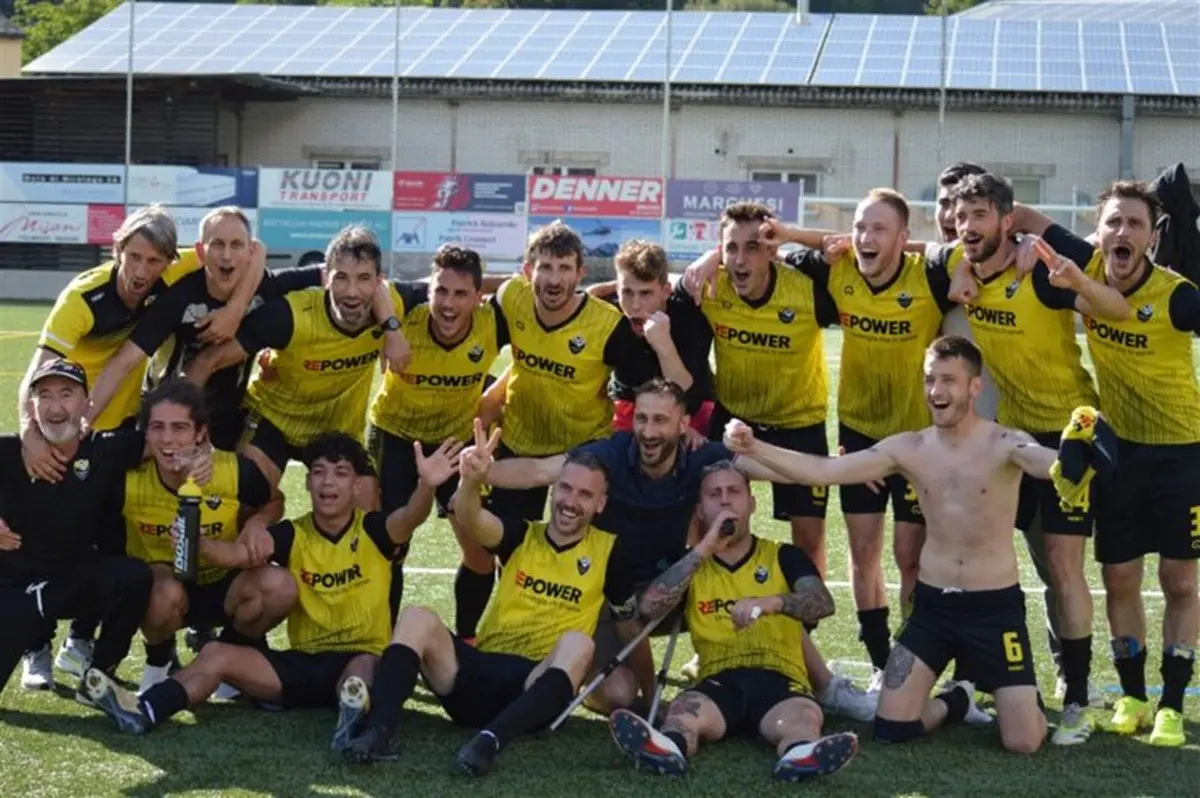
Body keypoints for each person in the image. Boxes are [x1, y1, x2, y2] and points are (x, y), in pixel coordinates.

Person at [724, 335, 1059, 754]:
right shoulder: (910, 447)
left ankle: (1023, 701)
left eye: (949, 381)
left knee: (1024, 742)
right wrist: (754, 447)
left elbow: (1044, 461)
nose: (937, 391)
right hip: (933, 608)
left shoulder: (1005, 442)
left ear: (975, 387)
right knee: (891, 727)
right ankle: (957, 700)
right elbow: (824, 471)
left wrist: (1073, 458)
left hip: (994, 609)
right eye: (930, 379)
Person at [481, 378, 877, 721]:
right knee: (619, 696)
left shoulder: (703, 457)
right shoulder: (611, 454)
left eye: (660, 420)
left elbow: (780, 470)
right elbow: (537, 472)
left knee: (760, 589)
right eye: (641, 418)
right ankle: (565, 672)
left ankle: (825, 686)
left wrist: (846, 469)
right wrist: (481, 471)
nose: (648, 431)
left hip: (678, 591)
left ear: (683, 424)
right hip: (611, 600)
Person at [83, 432, 459, 746]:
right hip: (301, 664)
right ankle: (143, 709)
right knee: (216, 653)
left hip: (358, 658)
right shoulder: (293, 533)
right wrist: (197, 541)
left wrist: (427, 485)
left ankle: (352, 719)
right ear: (307, 482)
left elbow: (412, 516)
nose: (328, 482)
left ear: (356, 484)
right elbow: (233, 556)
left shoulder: (375, 530)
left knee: (362, 670)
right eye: (318, 473)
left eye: (341, 473)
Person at [946, 172, 1133, 742]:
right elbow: (901, 248)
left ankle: (1077, 697)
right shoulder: (962, 265)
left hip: (1068, 433)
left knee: (1061, 562)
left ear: (1008, 220)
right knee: (995, 554)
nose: (968, 227)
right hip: (1013, 438)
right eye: (961, 217)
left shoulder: (1040, 271)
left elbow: (1118, 310)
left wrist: (1076, 278)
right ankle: (985, 672)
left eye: (981, 216)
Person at [1013, 180, 1200, 747]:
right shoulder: (1085, 263)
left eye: (1134, 225)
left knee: (1180, 580)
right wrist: (1016, 242)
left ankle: (1171, 702)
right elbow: (1016, 211)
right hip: (1118, 454)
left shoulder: (1179, 295)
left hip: (1182, 455)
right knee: (1119, 577)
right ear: (1100, 229)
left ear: (1150, 238)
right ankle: (1133, 697)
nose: (1122, 233)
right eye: (1113, 222)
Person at [342, 423, 636, 776]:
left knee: (579, 644)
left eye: (585, 495)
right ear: (553, 489)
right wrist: (471, 479)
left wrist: (648, 696)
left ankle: (487, 744)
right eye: (566, 489)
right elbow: (471, 517)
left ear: (601, 503)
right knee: (416, 617)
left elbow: (629, 626)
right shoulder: (522, 534)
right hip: (476, 672)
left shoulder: (610, 550)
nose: (571, 502)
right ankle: (378, 732)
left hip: (532, 687)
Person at [757, 188, 954, 681]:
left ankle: (916, 659)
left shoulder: (929, 276)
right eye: (860, 227)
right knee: (863, 550)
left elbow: (964, 254)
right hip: (860, 435)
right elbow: (762, 246)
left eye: (879, 229)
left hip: (916, 442)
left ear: (904, 238)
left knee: (911, 556)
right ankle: (880, 661)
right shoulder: (835, 271)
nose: (866, 238)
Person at [14, 206, 215, 686]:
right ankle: (33, 646)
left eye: (155, 261)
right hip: (62, 434)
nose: (143, 271)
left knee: (108, 540)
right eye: (135, 257)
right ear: (117, 250)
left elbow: (251, 251)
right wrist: (30, 434)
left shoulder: (179, 264)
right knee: (41, 541)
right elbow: (35, 374)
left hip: (118, 435)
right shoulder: (82, 298)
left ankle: (78, 643)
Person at [454, 220, 657, 638]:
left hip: (583, 451)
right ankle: (469, 640)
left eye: (564, 268)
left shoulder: (605, 325)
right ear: (527, 271)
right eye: (545, 267)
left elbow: (647, 389)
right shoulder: (511, 299)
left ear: (580, 273)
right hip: (519, 439)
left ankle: (585, 642)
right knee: (497, 549)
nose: (554, 278)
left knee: (581, 554)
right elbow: (471, 340)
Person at [608, 461, 858, 783]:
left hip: (777, 676)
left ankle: (800, 754)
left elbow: (822, 603)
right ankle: (668, 747)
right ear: (701, 509)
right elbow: (650, 606)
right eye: (715, 494)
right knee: (684, 710)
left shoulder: (783, 556)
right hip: (718, 681)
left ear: (752, 503)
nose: (725, 500)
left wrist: (772, 602)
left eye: (734, 492)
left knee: (803, 716)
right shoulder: (692, 565)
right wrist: (704, 549)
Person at [670, 201, 839, 573]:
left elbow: (844, 248)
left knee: (809, 540)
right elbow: (665, 295)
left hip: (800, 425)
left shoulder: (806, 288)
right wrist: (703, 263)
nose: (740, 260)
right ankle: (707, 610)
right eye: (731, 247)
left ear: (771, 251)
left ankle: (803, 625)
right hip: (734, 421)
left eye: (752, 247)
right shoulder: (711, 289)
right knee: (707, 525)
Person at [184, 225, 407, 496]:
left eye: (363, 279)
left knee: (368, 510)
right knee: (248, 492)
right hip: (274, 420)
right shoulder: (289, 316)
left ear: (378, 281)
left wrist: (393, 330)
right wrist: (190, 432)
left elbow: (445, 292)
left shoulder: (391, 307)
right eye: (341, 278)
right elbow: (206, 362)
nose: (352, 291)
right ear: (326, 277)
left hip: (337, 429)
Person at [85, 207, 324, 451]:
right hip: (167, 416)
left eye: (236, 245)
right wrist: (84, 422)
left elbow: (328, 274)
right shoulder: (178, 297)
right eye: (217, 244)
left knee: (246, 484)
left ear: (250, 252)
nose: (227, 256)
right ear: (201, 251)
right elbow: (125, 360)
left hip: (228, 419)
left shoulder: (266, 285)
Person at [366, 243, 508, 634]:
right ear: (427, 289)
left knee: (480, 552)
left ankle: (465, 640)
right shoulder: (405, 306)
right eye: (440, 291)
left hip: (454, 442)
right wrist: (392, 330)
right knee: (391, 546)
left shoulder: (494, 321)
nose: (448, 303)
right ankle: (383, 642)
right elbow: (374, 285)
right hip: (395, 436)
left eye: (461, 293)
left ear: (479, 298)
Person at [118, 380, 293, 694]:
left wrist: (257, 524)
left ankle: (230, 654)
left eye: (180, 428)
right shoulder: (129, 479)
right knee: (157, 589)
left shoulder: (231, 471)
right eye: (157, 427)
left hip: (225, 582)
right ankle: (160, 662)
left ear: (200, 433)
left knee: (280, 586)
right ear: (145, 433)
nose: (168, 439)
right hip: (168, 587)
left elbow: (274, 500)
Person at [0, 359, 154, 702]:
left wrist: (198, 456)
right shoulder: (8, 452)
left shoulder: (105, 450)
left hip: (67, 586)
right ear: (32, 406)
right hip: (10, 593)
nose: (55, 407)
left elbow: (162, 440)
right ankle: (33, 647)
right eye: (44, 396)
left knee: (134, 577)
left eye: (66, 394)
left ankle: (98, 677)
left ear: (86, 403)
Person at [587, 239, 716, 434]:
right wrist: (590, 294)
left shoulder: (689, 315)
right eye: (627, 292)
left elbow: (683, 389)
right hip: (627, 407)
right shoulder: (609, 312)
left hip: (687, 411)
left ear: (665, 291)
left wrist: (663, 345)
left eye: (646, 293)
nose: (635, 305)